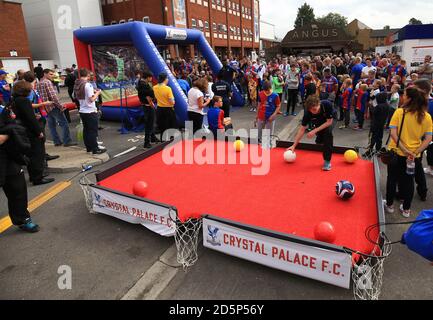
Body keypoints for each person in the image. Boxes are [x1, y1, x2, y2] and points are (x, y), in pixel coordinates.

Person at [384, 87, 432, 218]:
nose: (402, 97)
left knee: (392, 179)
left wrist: (404, 150)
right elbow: (428, 138)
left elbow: (392, 132)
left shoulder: (400, 112)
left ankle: (389, 206)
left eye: (404, 95)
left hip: (396, 152)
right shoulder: (426, 117)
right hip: (413, 157)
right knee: (409, 181)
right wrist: (415, 152)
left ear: (409, 98)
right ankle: (406, 209)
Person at [0, 104, 39, 232]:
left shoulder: (2, 108)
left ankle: (23, 219)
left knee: (18, 190)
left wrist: (11, 133)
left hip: (9, 157)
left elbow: (13, 124)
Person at [11, 80, 55, 185]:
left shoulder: (15, 100)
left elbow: (23, 115)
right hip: (31, 131)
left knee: (31, 155)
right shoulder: (24, 101)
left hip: (24, 130)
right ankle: (38, 177)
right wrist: (39, 131)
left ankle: (33, 176)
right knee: (37, 154)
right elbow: (30, 118)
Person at [288, 95, 334, 171]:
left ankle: (327, 161)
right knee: (320, 140)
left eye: (314, 109)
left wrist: (314, 130)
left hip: (330, 120)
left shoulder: (327, 104)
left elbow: (329, 122)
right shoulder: (307, 113)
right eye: (311, 110)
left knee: (328, 134)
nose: (313, 111)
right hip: (319, 121)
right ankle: (320, 139)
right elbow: (302, 129)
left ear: (319, 103)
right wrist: (294, 145)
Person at [37, 69, 76, 147]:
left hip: (46, 107)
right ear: (45, 74)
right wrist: (60, 106)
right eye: (51, 74)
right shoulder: (47, 82)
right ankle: (67, 141)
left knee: (52, 125)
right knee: (64, 123)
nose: (53, 76)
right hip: (53, 106)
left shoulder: (39, 83)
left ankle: (56, 141)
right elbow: (53, 96)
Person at [74, 68, 106, 155]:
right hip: (90, 110)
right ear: (87, 75)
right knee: (92, 131)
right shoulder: (88, 85)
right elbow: (92, 99)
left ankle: (89, 148)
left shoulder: (77, 84)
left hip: (82, 110)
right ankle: (95, 149)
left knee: (86, 130)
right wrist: (97, 93)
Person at [137, 71, 159, 149]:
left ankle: (152, 137)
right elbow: (150, 93)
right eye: (151, 77)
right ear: (148, 77)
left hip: (147, 104)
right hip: (147, 105)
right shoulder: (144, 85)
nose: (151, 79)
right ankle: (147, 142)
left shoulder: (141, 83)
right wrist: (152, 97)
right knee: (149, 123)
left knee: (151, 122)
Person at [256, 80, 281, 148]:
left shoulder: (275, 95)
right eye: (265, 91)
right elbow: (259, 104)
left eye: (268, 90)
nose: (266, 92)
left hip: (270, 117)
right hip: (261, 116)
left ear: (271, 87)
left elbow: (278, 105)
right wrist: (256, 116)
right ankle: (259, 143)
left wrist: (274, 115)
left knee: (269, 133)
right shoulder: (260, 94)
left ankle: (269, 144)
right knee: (259, 131)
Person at [154, 72, 177, 141]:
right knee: (171, 125)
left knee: (162, 126)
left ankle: (163, 140)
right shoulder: (168, 88)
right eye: (167, 78)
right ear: (165, 79)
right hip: (168, 109)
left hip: (159, 109)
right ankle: (171, 140)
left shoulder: (154, 87)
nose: (168, 79)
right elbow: (172, 101)